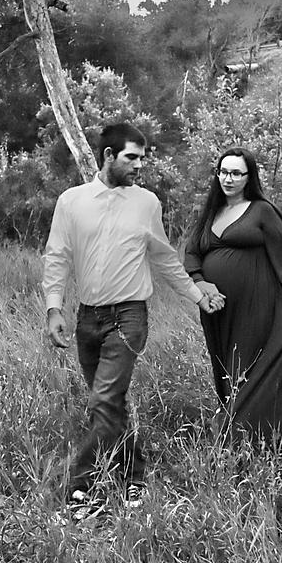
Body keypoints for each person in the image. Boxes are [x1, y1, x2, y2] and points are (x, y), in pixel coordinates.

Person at [43, 122, 225, 520]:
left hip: (129, 317)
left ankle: (81, 489)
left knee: (103, 401)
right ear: (109, 156)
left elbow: (163, 258)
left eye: (142, 158)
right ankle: (134, 477)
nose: (140, 165)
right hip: (87, 319)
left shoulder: (147, 203)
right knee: (112, 404)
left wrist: (198, 296)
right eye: (132, 158)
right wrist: (54, 308)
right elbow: (57, 256)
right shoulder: (71, 201)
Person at [183, 148, 282, 438]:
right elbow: (191, 253)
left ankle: (260, 429)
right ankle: (238, 421)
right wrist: (200, 283)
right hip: (216, 307)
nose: (228, 179)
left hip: (257, 305)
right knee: (227, 365)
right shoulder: (210, 212)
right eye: (223, 172)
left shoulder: (262, 210)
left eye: (235, 173)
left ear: (248, 177)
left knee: (252, 363)